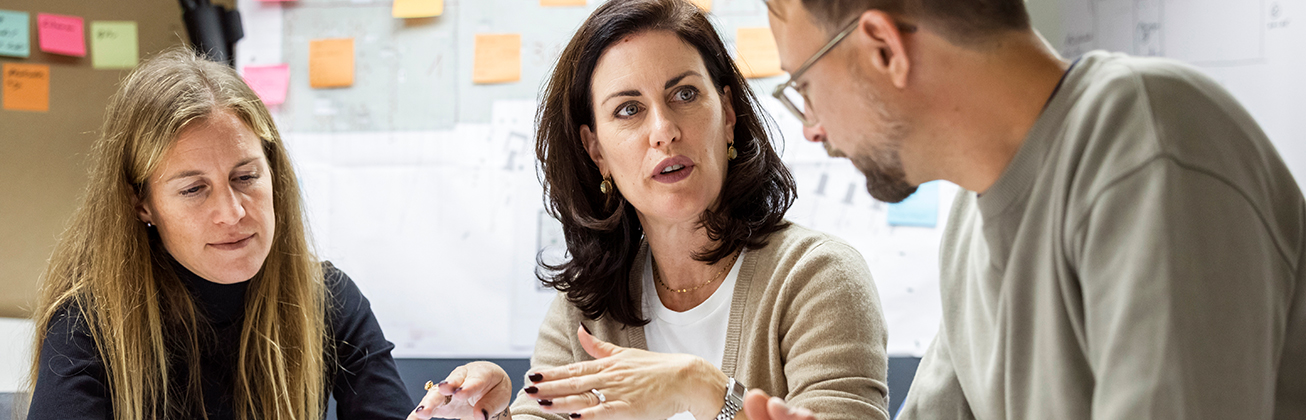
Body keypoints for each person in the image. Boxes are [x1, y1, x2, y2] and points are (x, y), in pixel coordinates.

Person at [753, 0, 1306, 419]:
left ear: (883, 48)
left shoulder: (1145, 143)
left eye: (804, 85)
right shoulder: (971, 219)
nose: (812, 128)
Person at [406, 1, 890, 420]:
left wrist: (703, 388)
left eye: (685, 94)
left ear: (728, 115)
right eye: (628, 109)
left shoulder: (817, 277)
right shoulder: (586, 309)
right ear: (596, 150)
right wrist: (488, 413)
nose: (664, 131)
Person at [26, 48, 413, 420]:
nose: (232, 213)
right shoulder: (88, 321)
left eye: (245, 177)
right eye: (194, 189)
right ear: (142, 204)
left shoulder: (328, 297)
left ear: (273, 174)